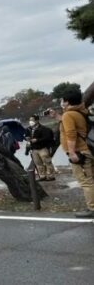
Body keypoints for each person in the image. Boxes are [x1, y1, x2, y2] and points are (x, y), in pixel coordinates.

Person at [58, 90, 94, 218]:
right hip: (87, 149)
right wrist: (58, 117)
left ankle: (92, 208)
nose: (61, 102)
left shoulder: (68, 115)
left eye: (62, 100)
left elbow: (71, 134)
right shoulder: (80, 111)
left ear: (67, 102)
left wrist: (72, 152)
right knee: (91, 179)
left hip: (80, 152)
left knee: (86, 181)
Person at [25, 115, 56, 181]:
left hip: (43, 148)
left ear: (37, 120)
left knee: (47, 162)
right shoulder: (28, 129)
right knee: (38, 163)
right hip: (34, 149)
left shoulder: (44, 129)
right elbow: (27, 138)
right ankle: (42, 176)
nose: (31, 122)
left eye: (32, 120)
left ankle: (51, 176)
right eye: (30, 120)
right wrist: (27, 140)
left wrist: (37, 140)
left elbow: (47, 138)